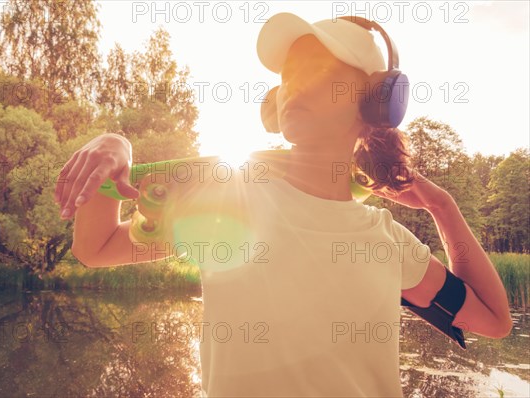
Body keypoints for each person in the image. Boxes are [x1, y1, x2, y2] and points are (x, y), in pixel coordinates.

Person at [55, 13, 513, 398]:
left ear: (376, 104)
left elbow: (494, 321)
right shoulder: (227, 203)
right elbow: (96, 247)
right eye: (289, 77)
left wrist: (443, 206)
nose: (295, 87)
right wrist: (112, 145)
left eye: (320, 74)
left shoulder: (387, 241)